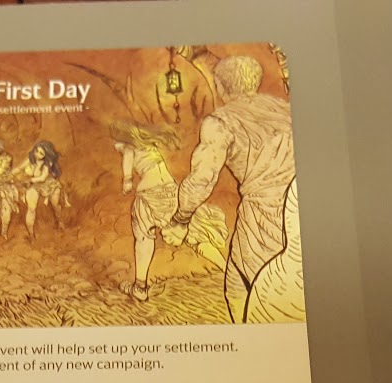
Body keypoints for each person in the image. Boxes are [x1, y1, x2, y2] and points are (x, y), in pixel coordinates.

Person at [165, 55, 301, 323]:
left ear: (220, 87)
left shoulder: (220, 123)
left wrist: (180, 219)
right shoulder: (287, 109)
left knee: (245, 292)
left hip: (262, 221)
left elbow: (202, 180)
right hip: (298, 211)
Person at [109, 119, 227, 302]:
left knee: (143, 235)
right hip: (171, 192)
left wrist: (127, 180)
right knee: (191, 234)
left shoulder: (128, 147)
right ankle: (228, 271)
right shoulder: (149, 145)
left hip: (149, 195)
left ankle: (140, 287)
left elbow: (128, 157)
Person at [13, 140, 68, 240]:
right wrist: (10, 174)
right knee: (31, 208)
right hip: (34, 186)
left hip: (49, 185)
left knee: (55, 205)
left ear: (46, 154)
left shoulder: (48, 163)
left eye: (41, 153)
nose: (37, 154)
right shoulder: (30, 160)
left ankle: (59, 221)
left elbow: (42, 178)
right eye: (36, 151)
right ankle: (31, 234)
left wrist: (29, 181)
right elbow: (19, 168)